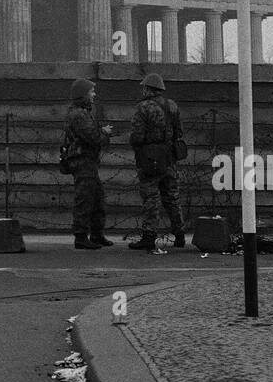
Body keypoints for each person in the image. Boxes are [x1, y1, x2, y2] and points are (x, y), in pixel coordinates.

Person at [127, 72, 186, 251]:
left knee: (151, 198)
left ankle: (149, 236)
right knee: (172, 197)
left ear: (148, 89)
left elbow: (137, 136)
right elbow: (179, 133)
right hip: (169, 158)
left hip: (150, 158)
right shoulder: (172, 106)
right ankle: (180, 235)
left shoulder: (143, 108)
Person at [62, 78, 113, 250]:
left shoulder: (83, 112)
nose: (94, 94)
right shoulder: (79, 115)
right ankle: (81, 237)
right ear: (83, 94)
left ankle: (97, 235)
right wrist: (104, 133)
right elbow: (93, 138)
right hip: (82, 161)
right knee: (84, 199)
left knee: (97, 198)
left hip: (87, 161)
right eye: (91, 91)